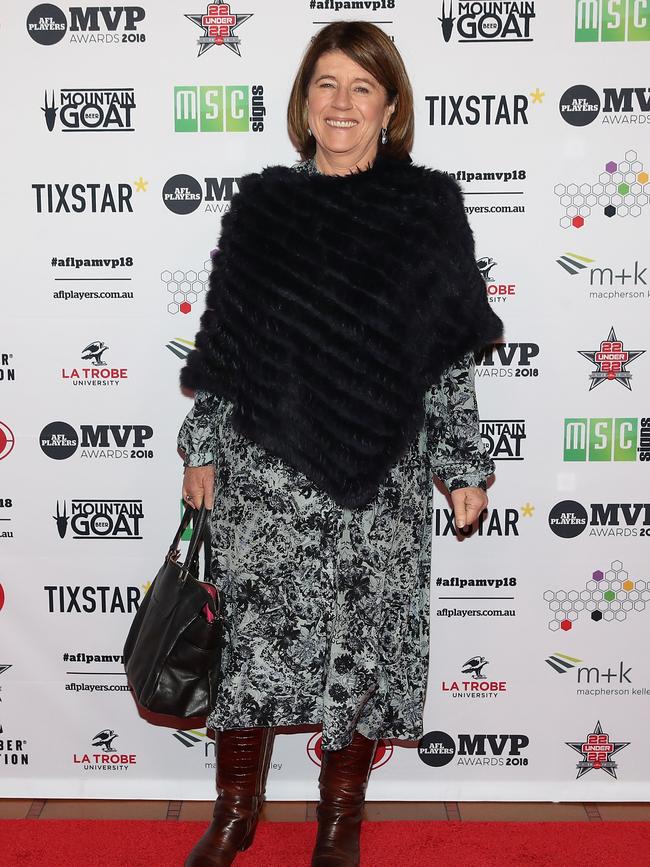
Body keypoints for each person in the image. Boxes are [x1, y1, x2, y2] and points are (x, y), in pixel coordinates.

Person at [177, 20, 503, 867]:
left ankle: (338, 824)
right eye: (326, 83)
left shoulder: (425, 207)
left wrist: (462, 464)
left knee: (364, 639)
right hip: (265, 473)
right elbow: (227, 345)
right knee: (251, 645)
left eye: (363, 86)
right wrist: (202, 443)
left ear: (390, 105)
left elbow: (445, 357)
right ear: (304, 100)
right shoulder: (264, 206)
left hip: (383, 476)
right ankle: (236, 813)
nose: (343, 102)